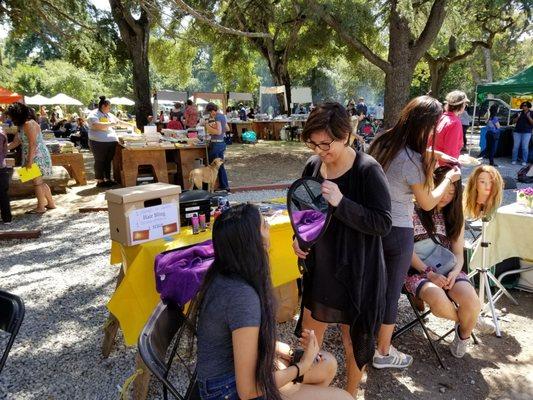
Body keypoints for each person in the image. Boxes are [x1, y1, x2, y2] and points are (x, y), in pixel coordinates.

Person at [192, 204, 352, 400]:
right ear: (254, 242)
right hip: (226, 391)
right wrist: (300, 366)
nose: (269, 231)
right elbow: (248, 389)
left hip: (230, 378)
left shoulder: (226, 273)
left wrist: (284, 350)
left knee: (327, 364)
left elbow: (237, 339)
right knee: (345, 398)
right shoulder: (241, 296)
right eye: (265, 225)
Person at [293, 102, 392, 395]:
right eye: (313, 144)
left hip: (357, 271)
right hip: (321, 267)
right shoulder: (313, 166)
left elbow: (383, 223)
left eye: (326, 144)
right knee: (309, 338)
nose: (320, 151)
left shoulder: (367, 169)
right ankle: (304, 392)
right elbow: (304, 213)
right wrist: (298, 238)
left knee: (353, 341)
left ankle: (350, 394)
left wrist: (342, 202)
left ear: (346, 135)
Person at [368, 95, 461, 369]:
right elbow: (428, 202)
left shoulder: (383, 141)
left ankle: (369, 337)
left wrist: (432, 156)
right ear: (426, 126)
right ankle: (383, 352)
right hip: (397, 233)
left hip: (373, 227)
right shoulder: (414, 160)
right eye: (433, 127)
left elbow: (397, 172)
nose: (434, 133)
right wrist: (450, 180)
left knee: (375, 286)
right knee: (391, 294)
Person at [406, 166, 482, 358]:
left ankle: (463, 335)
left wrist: (455, 272)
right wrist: (429, 273)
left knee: (471, 301)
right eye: (443, 190)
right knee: (440, 302)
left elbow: (458, 254)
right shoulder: (411, 210)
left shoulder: (455, 216)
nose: (446, 196)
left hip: (448, 269)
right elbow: (405, 250)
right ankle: (470, 320)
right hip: (417, 270)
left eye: (452, 192)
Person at [6, 102, 55, 214]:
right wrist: (3, 148)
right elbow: (15, 142)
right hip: (30, 155)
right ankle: (51, 203)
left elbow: (33, 144)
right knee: (39, 182)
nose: (10, 118)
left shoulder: (29, 124)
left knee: (37, 183)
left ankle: (40, 207)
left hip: (37, 155)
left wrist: (29, 161)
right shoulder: (21, 126)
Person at [87, 96, 119, 188]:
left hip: (110, 142)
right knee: (100, 160)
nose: (110, 109)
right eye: (109, 107)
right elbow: (96, 125)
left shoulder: (109, 114)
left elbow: (118, 121)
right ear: (103, 106)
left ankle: (108, 179)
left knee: (108, 161)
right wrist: (111, 124)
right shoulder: (94, 114)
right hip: (98, 142)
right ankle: (100, 181)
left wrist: (130, 125)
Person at [433, 91, 470, 160]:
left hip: (434, 161)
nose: (465, 106)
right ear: (461, 105)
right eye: (465, 103)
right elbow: (450, 152)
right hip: (444, 166)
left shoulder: (442, 117)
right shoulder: (455, 123)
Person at [204, 103, 230, 191]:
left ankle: (213, 186)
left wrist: (208, 126)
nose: (210, 114)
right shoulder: (222, 116)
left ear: (212, 111)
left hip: (216, 144)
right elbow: (227, 128)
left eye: (210, 112)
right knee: (220, 165)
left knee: (213, 166)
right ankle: (224, 185)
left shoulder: (217, 117)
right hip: (221, 143)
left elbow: (218, 132)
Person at [511, 101, 533, 166]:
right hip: (517, 131)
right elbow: (513, 122)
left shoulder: (531, 113)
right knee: (515, 147)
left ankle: (524, 161)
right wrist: (518, 117)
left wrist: (528, 117)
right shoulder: (519, 112)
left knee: (525, 147)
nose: (523, 106)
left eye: (525, 105)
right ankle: (514, 160)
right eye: (523, 105)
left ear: (528, 106)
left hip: (527, 132)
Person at [0, 128, 13, 223]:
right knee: (3, 193)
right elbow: (5, 151)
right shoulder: (2, 132)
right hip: (1, 165)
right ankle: (7, 218)